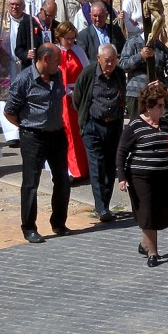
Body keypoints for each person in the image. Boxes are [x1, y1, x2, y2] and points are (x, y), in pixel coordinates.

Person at [3, 43, 71, 243]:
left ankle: (59, 223)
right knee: (31, 183)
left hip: (57, 135)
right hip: (33, 136)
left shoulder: (56, 74)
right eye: (57, 59)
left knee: (62, 180)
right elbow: (9, 111)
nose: (60, 62)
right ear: (45, 59)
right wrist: (26, 126)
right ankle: (29, 227)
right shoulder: (24, 79)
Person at [117, 84, 168, 268]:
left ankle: (145, 244)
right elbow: (121, 151)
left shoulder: (166, 125)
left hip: (162, 177)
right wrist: (122, 177)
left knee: (158, 213)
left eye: (163, 105)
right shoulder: (135, 125)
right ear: (148, 107)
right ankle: (153, 252)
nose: (162, 109)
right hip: (140, 177)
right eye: (159, 105)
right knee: (148, 212)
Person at [73, 44, 127, 223]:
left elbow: (122, 96)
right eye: (107, 61)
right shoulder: (89, 74)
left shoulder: (119, 74)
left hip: (113, 127)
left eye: (113, 60)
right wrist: (86, 119)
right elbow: (77, 99)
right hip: (92, 127)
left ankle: (106, 202)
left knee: (111, 166)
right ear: (98, 59)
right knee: (97, 166)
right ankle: (101, 207)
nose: (110, 64)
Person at [0, 0, 41, 147]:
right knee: (5, 97)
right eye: (12, 4)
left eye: (18, 4)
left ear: (23, 6)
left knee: (23, 96)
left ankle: (21, 127)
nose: (15, 7)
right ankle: (11, 134)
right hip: (6, 66)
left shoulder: (30, 21)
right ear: (8, 6)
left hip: (24, 64)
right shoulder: (0, 22)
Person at [118, 21, 168, 120]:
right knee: (137, 129)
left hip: (157, 95)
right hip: (136, 95)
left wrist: (163, 83)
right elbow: (122, 66)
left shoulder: (162, 48)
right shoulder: (132, 42)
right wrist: (140, 56)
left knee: (165, 126)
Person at [53, 21, 90, 180]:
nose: (70, 42)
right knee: (67, 133)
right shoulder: (55, 52)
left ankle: (83, 168)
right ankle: (70, 170)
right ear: (59, 37)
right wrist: (67, 92)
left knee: (81, 132)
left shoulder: (78, 50)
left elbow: (87, 70)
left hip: (79, 96)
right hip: (63, 98)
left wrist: (80, 91)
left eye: (72, 38)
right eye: (67, 38)